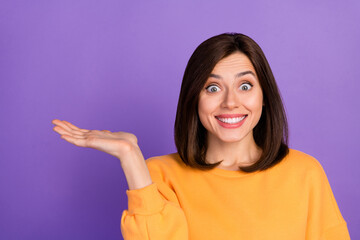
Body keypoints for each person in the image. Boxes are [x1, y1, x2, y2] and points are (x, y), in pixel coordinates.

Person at [52, 33, 350, 239]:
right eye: (213, 87)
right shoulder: (157, 175)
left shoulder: (304, 173)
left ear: (264, 97)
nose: (231, 102)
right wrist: (131, 157)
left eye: (245, 86)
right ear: (194, 99)